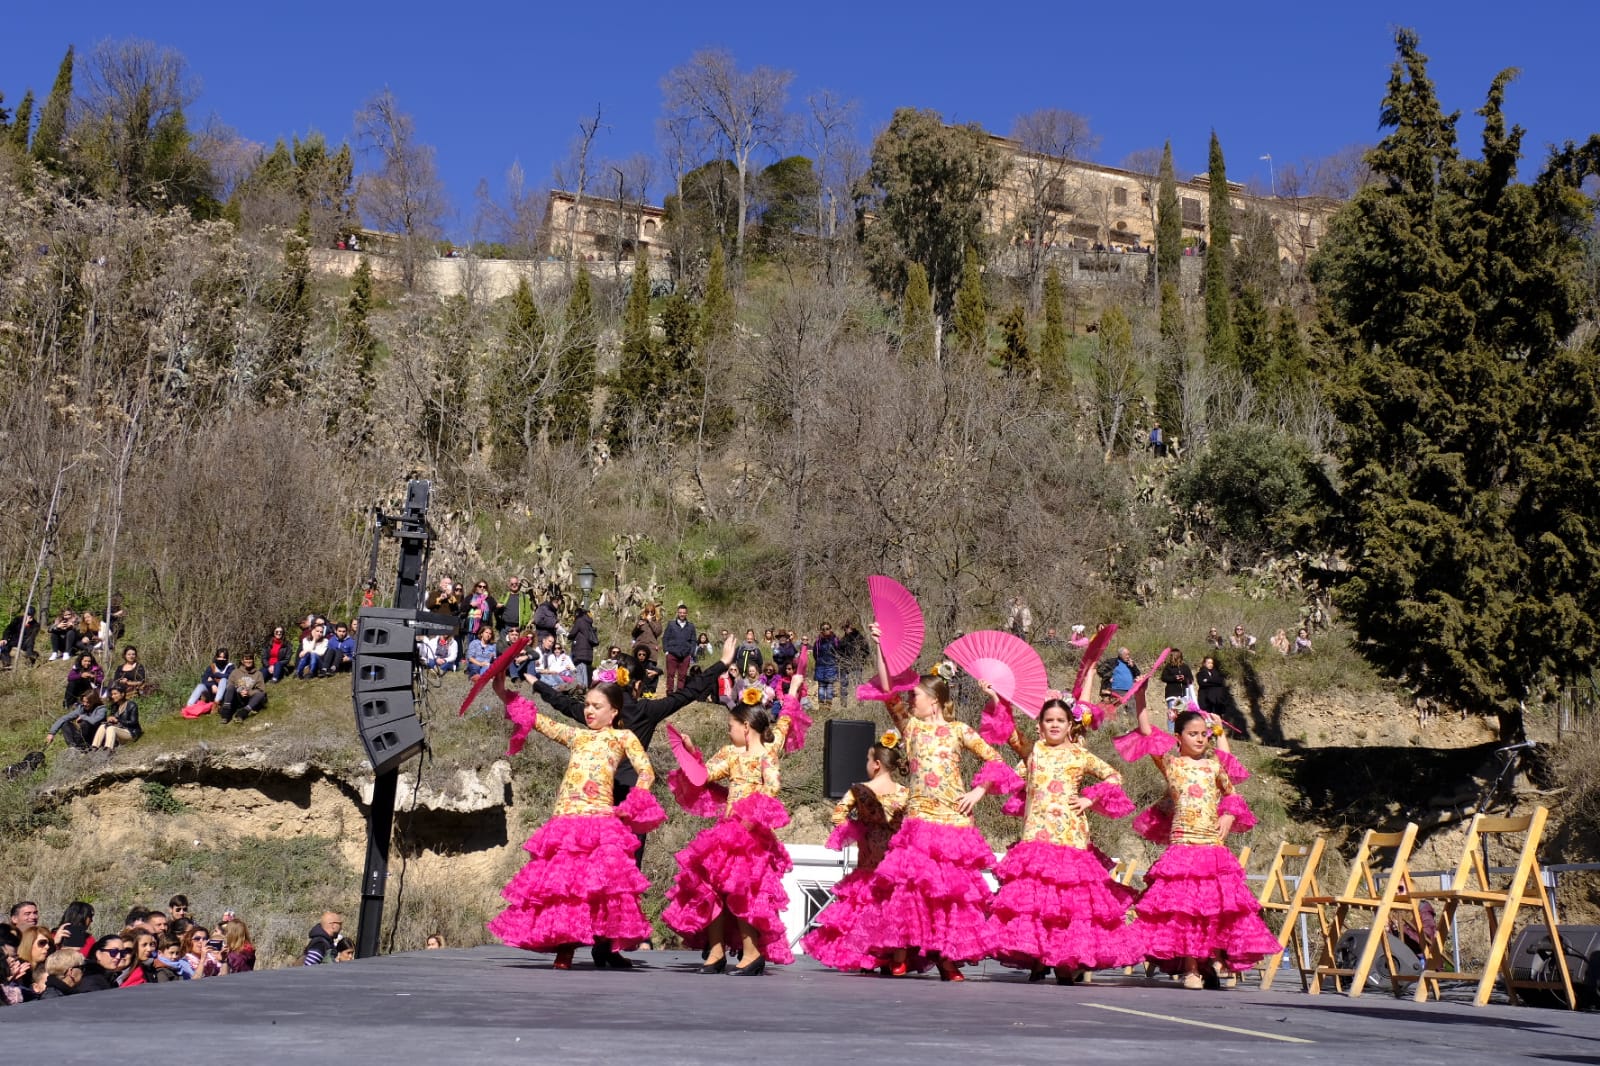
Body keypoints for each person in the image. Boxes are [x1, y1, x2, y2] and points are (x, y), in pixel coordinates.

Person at [855, 626, 1022, 981]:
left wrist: (978, 791)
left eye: (917, 694)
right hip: (918, 819)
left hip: (952, 820)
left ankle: (949, 959)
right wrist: (882, 646)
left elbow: (997, 762)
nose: (912, 699)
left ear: (934, 699)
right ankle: (899, 953)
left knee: (950, 893)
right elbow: (888, 693)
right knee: (909, 887)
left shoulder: (960, 730)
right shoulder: (912, 728)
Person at [486, 673, 663, 971]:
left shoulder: (623, 737)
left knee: (606, 887)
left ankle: (607, 949)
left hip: (601, 819)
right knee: (568, 887)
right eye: (587, 706)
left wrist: (634, 802)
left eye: (596, 706)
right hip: (567, 819)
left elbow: (646, 772)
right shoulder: (578, 736)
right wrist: (503, 692)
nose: (589, 711)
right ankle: (565, 949)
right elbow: (539, 720)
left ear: (614, 711)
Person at [1119, 697, 1279, 989]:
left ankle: (1213, 963)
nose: (1199, 738)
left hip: (1211, 846)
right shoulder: (1171, 763)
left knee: (1215, 908)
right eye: (1193, 734)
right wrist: (1141, 696)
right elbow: (1144, 732)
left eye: (1203, 733)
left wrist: (1229, 817)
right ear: (1178, 737)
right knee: (1187, 910)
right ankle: (1191, 968)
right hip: (1183, 845)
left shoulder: (1213, 765)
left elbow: (1232, 795)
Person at [663, 667, 811, 976]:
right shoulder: (731, 753)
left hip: (752, 834)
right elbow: (706, 775)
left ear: (746, 726)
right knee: (710, 886)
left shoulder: (768, 752)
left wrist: (795, 686)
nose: (728, 731)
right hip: (727, 831)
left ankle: (752, 951)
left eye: (731, 725)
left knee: (743, 891)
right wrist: (691, 753)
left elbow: (774, 777)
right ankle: (716, 951)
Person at [987, 694, 1140, 983]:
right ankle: (1038, 956)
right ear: (1040, 726)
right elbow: (1009, 734)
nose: (1054, 725)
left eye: (1060, 720)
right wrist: (997, 699)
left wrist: (1088, 798)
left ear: (1071, 725)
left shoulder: (1080, 755)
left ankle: (1065, 959)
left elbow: (1114, 776)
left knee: (1069, 901)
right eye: (1049, 721)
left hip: (1071, 835)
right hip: (1036, 834)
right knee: (1036, 899)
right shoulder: (1033, 753)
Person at [801, 733, 909, 973]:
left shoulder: (859, 790)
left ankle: (869, 955)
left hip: (868, 859)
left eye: (868, 759)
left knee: (866, 906)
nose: (867, 764)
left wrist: (859, 830)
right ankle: (898, 958)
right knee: (893, 906)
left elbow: (837, 815)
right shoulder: (905, 793)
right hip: (895, 862)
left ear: (877, 764)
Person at [90, 685, 141, 749]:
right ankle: (95, 747)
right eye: (112, 694)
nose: (112, 696)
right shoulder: (114, 706)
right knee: (103, 726)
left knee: (111, 728)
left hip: (131, 732)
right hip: (119, 730)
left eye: (115, 694)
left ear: (122, 694)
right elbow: (113, 719)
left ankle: (108, 749)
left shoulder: (131, 705)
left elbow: (134, 722)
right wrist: (110, 719)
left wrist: (118, 720)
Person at [662, 604, 697, 696]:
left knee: (682, 675)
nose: (682, 614)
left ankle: (679, 692)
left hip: (685, 655)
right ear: (677, 613)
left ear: (686, 614)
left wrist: (691, 653)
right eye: (680, 612)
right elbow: (665, 638)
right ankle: (669, 692)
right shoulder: (671, 624)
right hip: (672, 654)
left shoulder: (691, 626)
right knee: (670, 674)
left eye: (684, 613)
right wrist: (666, 651)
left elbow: (693, 640)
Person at [221, 653, 267, 722]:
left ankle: (244, 712)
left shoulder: (258, 674)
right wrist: (239, 690)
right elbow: (229, 685)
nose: (248, 661)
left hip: (250, 699)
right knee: (230, 688)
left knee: (261, 694)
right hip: (237, 697)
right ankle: (226, 714)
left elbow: (261, 689)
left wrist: (248, 692)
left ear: (253, 660)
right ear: (242, 661)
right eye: (246, 659)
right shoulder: (235, 672)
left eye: (250, 659)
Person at [811, 623, 840, 710]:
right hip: (820, 666)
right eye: (823, 629)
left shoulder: (835, 640)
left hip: (831, 665)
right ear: (821, 630)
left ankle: (828, 705)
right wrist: (819, 662)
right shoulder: (818, 641)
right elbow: (815, 654)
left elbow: (839, 652)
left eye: (827, 628)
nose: (825, 630)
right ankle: (821, 705)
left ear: (830, 629)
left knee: (830, 686)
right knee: (821, 686)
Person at [1160, 649, 1195, 719]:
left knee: (1179, 716)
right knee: (1172, 714)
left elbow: (1191, 679)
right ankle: (1171, 730)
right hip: (1172, 694)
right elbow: (1163, 678)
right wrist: (1174, 678)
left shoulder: (1185, 667)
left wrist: (1184, 678)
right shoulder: (1168, 667)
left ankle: (1177, 730)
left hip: (1182, 695)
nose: (1174, 657)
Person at [569, 606, 598, 688]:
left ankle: (582, 687)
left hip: (580, 650)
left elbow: (572, 633)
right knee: (584, 669)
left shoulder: (579, 621)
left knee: (580, 669)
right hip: (588, 651)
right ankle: (585, 686)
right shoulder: (588, 623)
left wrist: (568, 635)